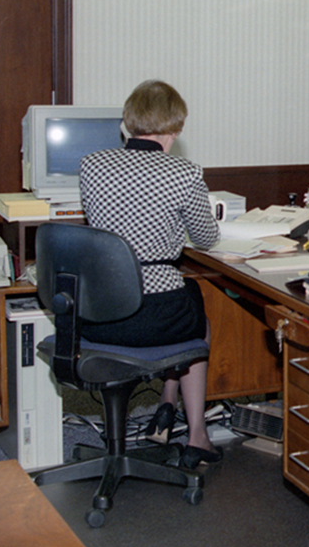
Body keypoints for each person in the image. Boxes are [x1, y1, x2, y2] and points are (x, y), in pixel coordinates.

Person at [76, 80, 221, 468]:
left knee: (187, 306)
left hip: (101, 317)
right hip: (158, 317)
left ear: (127, 124)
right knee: (196, 318)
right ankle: (197, 435)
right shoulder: (185, 173)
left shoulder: (92, 165)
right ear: (176, 127)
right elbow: (206, 239)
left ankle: (166, 402)